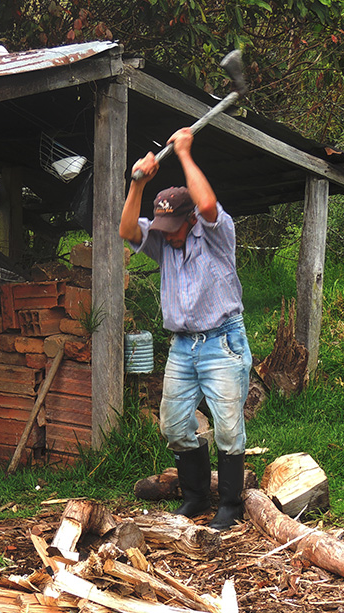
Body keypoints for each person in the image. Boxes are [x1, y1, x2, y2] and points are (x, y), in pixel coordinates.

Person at [119, 127, 251, 531]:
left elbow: (208, 201)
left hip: (222, 341)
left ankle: (230, 504)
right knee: (175, 426)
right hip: (182, 347)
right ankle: (195, 496)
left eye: (173, 225)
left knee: (228, 427)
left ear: (189, 218)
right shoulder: (163, 240)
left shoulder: (215, 234)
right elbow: (126, 230)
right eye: (163, 225)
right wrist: (137, 183)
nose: (167, 233)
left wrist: (185, 154)